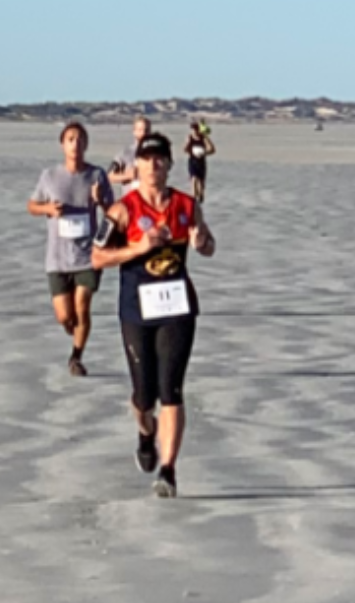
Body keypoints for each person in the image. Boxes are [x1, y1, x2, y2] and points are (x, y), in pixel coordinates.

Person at [91, 132, 215, 498]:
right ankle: (146, 433)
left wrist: (201, 242)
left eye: (160, 159)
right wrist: (138, 247)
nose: (153, 166)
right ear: (137, 166)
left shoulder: (186, 205)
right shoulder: (122, 210)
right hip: (136, 310)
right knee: (144, 396)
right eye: (146, 160)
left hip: (177, 308)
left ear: (169, 165)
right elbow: (97, 257)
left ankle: (169, 469)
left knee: (172, 389)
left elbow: (208, 244)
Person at [27, 121, 114, 376]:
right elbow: (31, 205)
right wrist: (47, 210)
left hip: (88, 255)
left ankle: (76, 357)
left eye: (80, 139)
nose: (75, 144)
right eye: (70, 139)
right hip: (57, 258)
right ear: (63, 144)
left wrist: (100, 201)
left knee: (83, 306)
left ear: (86, 144)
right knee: (65, 316)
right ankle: (73, 329)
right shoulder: (50, 176)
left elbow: (115, 214)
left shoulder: (97, 176)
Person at [108, 116, 152, 192]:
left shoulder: (156, 155)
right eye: (140, 130)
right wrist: (128, 176)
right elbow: (109, 177)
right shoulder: (124, 154)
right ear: (134, 132)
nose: (143, 133)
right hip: (130, 201)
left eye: (146, 130)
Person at [184, 120, 217, 203]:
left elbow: (212, 149)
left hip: (201, 162)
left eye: (196, 129)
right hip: (192, 161)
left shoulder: (204, 138)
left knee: (201, 184)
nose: (194, 131)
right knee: (194, 179)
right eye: (193, 129)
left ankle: (201, 196)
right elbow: (185, 150)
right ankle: (194, 198)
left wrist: (204, 153)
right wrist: (189, 147)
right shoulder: (190, 138)